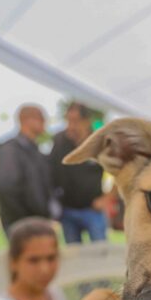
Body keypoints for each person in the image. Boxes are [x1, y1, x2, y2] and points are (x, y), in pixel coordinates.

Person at [48, 101, 114, 244]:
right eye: (68, 120)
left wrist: (107, 198)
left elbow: (119, 172)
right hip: (67, 211)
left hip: (93, 211)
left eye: (75, 121)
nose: (71, 126)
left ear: (86, 121)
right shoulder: (59, 140)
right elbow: (50, 172)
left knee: (100, 253)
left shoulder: (99, 142)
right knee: (74, 257)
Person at [0, 104, 52, 236]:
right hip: (23, 224)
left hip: (38, 221)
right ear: (26, 120)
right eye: (41, 118)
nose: (45, 123)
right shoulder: (12, 149)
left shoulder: (34, 150)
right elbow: (7, 187)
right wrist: (24, 220)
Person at [5, 217, 69, 300]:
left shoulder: (57, 298)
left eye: (51, 258)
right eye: (34, 260)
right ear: (13, 262)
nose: (45, 269)